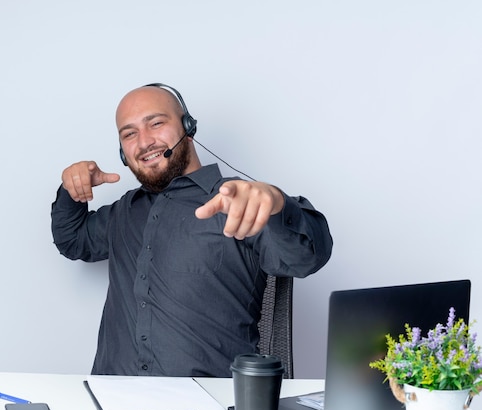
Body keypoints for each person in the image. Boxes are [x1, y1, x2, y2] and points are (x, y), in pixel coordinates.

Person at [51, 83, 333, 377]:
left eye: (156, 123)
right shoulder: (124, 211)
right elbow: (72, 240)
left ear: (188, 126)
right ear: (123, 152)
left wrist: (277, 203)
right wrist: (73, 190)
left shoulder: (238, 202)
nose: (144, 141)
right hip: (112, 402)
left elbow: (307, 258)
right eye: (129, 133)